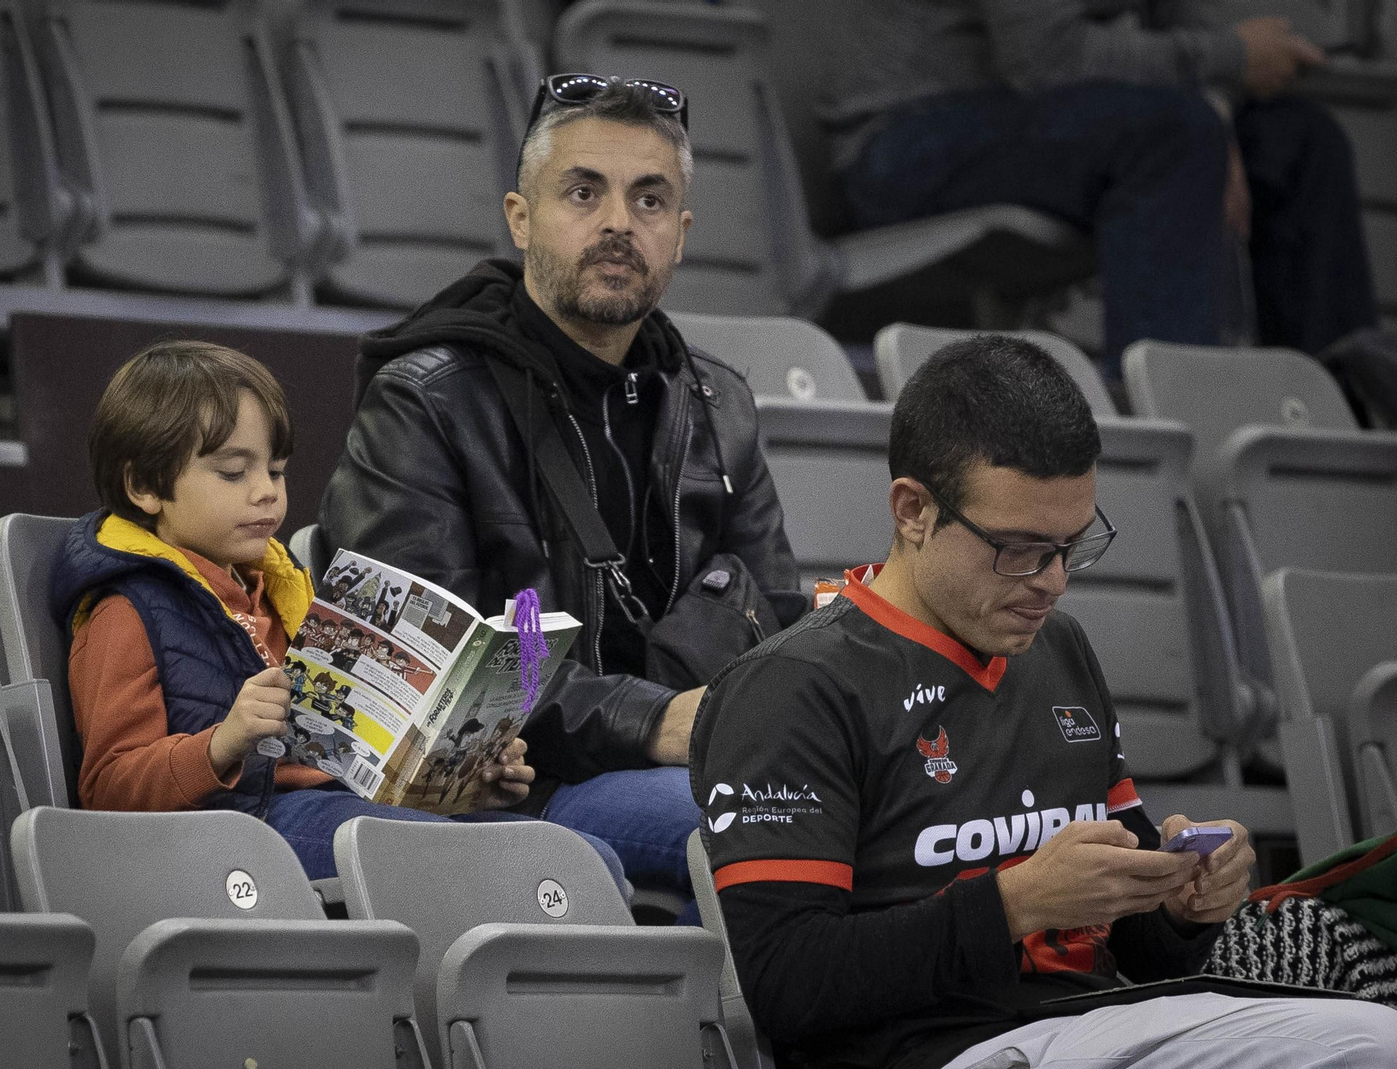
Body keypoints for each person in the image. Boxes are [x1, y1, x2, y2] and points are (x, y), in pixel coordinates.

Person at [690, 336, 1397, 1068]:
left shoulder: (1058, 648)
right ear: (913, 511)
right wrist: (1014, 904)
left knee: (1377, 1036)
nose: (1053, 581)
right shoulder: (792, 687)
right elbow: (783, 981)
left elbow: (1140, 947)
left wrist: (1182, 901)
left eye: (1072, 545)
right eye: (1021, 549)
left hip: (1100, 1019)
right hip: (937, 1049)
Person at [320, 76, 803, 905]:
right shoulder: (425, 400)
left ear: (681, 235)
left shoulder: (718, 405)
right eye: (584, 192)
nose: (619, 222)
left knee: (873, 811)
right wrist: (653, 722)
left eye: (649, 200)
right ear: (520, 217)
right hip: (514, 788)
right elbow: (424, 682)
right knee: (767, 830)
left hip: (689, 766)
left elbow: (784, 625)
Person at [52, 340, 624, 886]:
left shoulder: (284, 589)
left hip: (337, 804)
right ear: (145, 486)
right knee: (510, 870)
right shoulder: (125, 609)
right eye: (233, 472)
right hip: (248, 828)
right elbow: (107, 789)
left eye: (275, 471)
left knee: (589, 861)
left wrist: (465, 779)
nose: (266, 493)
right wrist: (221, 743)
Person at [820, 3, 1378, 365]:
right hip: (903, 138)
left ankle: (1335, 418)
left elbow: (1181, 28)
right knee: (1172, 134)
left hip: (1051, 121)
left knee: (1301, 140)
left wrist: (1218, 96)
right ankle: (1163, 413)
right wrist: (1226, 63)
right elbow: (1045, 59)